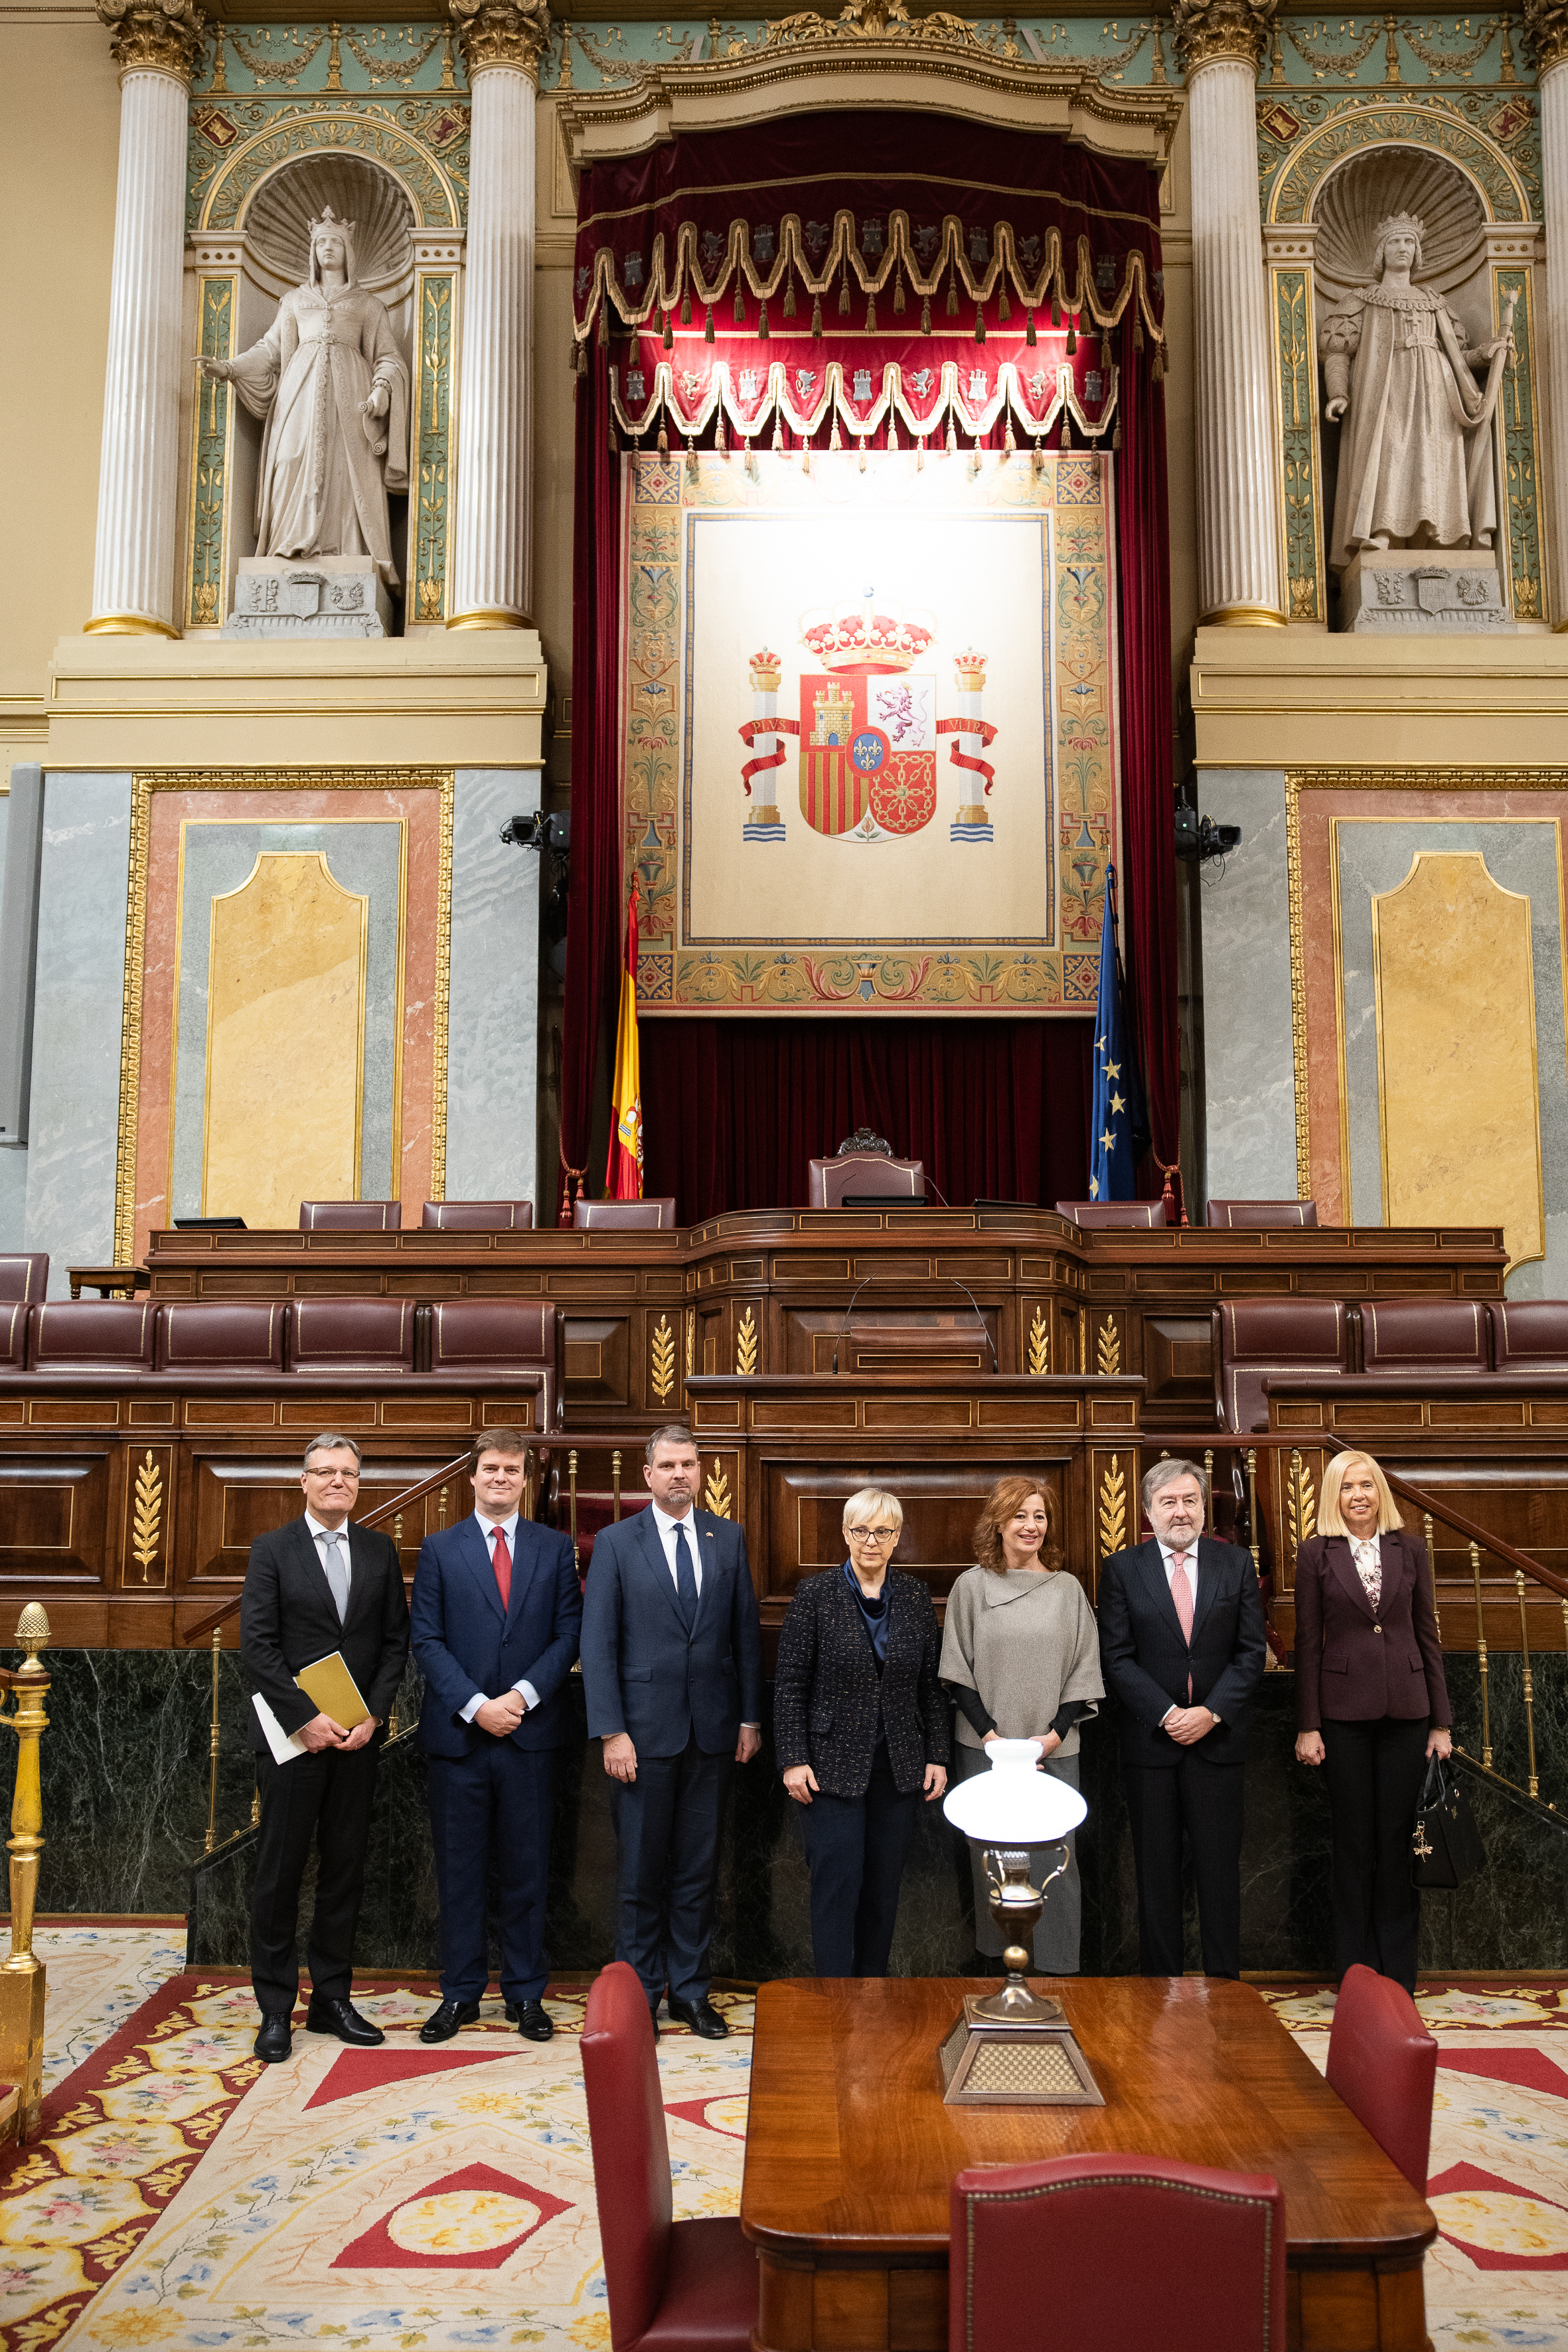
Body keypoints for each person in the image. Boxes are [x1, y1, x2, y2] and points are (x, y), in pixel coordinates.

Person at [580, 1423, 762, 2037]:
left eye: (689, 1463)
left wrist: (748, 1716)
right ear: (648, 1474)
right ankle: (638, 2000)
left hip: (712, 1734)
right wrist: (610, 1730)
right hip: (641, 1737)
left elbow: (744, 1636)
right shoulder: (615, 1542)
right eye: (668, 1464)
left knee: (696, 1873)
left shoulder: (727, 1537)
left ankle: (689, 1992)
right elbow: (598, 1643)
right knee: (638, 1875)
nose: (680, 1473)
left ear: (700, 1471)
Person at [240, 1431, 410, 2062]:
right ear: (303, 1481)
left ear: (359, 1482)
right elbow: (257, 1646)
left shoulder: (378, 1549)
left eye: (349, 1472)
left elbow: (395, 1641)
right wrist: (305, 1719)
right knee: (280, 1874)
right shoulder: (272, 1550)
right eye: (325, 1472)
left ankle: (332, 1997)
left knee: (344, 1870)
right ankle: (276, 2007)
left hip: (357, 1740)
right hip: (293, 1742)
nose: (338, 1481)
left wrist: (375, 1714)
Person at [410, 1428, 582, 2046]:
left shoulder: (555, 1548)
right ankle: (459, 1995)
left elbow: (568, 1634)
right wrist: (477, 1705)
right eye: (491, 1468)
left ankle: (526, 1994)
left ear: (525, 1479)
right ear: (473, 1476)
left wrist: (520, 1697)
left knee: (527, 1871)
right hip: (459, 1741)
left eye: (512, 1469)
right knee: (459, 1872)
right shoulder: (439, 1548)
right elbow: (425, 1639)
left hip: (530, 1737)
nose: (501, 1477)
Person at [1097, 1457, 1267, 1980]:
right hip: (1153, 1745)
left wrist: (1211, 1712)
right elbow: (1117, 1657)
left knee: (1219, 1874)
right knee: (1156, 1875)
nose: (1180, 1511)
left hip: (1218, 1745)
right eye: (1168, 1501)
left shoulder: (1234, 1564)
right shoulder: (1123, 1568)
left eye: (1190, 1500)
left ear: (1203, 1508)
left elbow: (1250, 1651)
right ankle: (1159, 1988)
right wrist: (1169, 1713)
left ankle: (1226, 1990)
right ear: (1148, 1510)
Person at [1294, 1450, 1452, 1995]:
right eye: (1347, 1487)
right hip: (1342, 1717)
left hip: (1408, 1714)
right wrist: (1308, 1724)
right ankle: (1357, 1976)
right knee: (1354, 1847)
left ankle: (1398, 1977)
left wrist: (1442, 1722)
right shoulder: (1316, 1552)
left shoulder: (1410, 1548)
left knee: (1397, 1843)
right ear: (1333, 1496)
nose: (1359, 1495)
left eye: (1367, 1485)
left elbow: (1427, 1634)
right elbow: (1308, 1641)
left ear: (1380, 1492)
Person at [775, 1488, 949, 1978]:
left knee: (882, 1888)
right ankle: (835, 1998)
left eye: (883, 1531)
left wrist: (936, 1753)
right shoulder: (814, 1594)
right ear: (845, 1533)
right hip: (827, 1771)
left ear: (897, 1538)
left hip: (898, 1769)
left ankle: (873, 1992)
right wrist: (793, 1758)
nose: (871, 1541)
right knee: (837, 1886)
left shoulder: (915, 1596)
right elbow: (790, 1683)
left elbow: (931, 1685)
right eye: (860, 1530)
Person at [198, 206, 409, 591]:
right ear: (312, 251)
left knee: (348, 470)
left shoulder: (368, 305)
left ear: (349, 252)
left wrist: (381, 388)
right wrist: (229, 368)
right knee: (291, 458)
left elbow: (388, 357)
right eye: (321, 242)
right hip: (299, 393)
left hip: (351, 398)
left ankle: (348, 549)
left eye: (336, 242)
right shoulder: (294, 301)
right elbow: (270, 349)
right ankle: (288, 545)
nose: (328, 249)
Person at [940, 1476, 1102, 1975]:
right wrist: (991, 1735)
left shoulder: (1067, 1588)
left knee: (1056, 1861)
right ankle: (999, 1965)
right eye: (1020, 1515)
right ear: (998, 1522)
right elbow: (957, 1668)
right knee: (988, 1857)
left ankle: (1057, 1968)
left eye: (1040, 1516)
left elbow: (1084, 1668)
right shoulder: (970, 1586)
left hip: (1053, 1749)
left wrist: (1051, 1734)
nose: (1031, 1525)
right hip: (984, 1749)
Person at [1319, 208, 1513, 572]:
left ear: (1418, 250)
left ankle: (1441, 532)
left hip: (1436, 391)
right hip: (1385, 389)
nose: (1403, 248)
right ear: (1381, 252)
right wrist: (1338, 392)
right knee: (1390, 451)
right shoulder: (1362, 300)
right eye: (1395, 241)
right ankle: (1382, 530)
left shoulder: (1435, 301)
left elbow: (1458, 355)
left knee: (1434, 457)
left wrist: (1488, 352)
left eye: (1409, 241)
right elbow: (1337, 351)